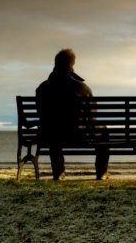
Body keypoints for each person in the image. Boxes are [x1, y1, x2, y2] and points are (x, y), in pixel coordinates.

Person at [36, 48, 109, 180]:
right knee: (103, 130)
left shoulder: (42, 88)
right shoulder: (82, 88)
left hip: (52, 135)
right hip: (79, 134)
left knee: (52, 129)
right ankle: (101, 172)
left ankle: (58, 172)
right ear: (72, 64)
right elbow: (93, 115)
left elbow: (41, 115)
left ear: (55, 63)